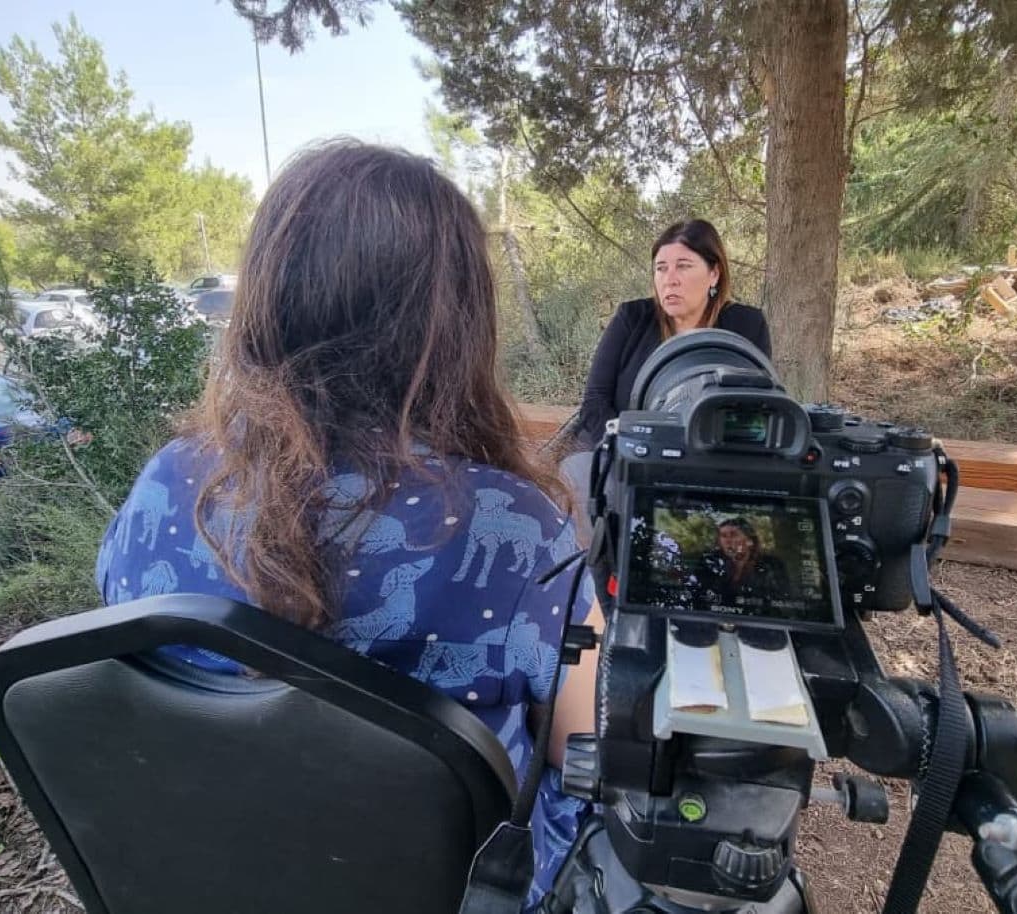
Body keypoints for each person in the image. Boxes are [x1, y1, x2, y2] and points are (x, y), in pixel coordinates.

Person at [95, 140, 601, 909]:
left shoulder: (165, 488)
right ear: (456, 324)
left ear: (270, 297)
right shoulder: (516, 530)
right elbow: (584, 745)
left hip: (218, 880)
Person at [567, 219, 771, 450]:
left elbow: (759, 408)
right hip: (626, 455)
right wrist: (626, 449)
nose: (669, 280)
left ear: (714, 273)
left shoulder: (747, 324)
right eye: (661, 268)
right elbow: (595, 401)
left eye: (683, 266)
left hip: (713, 461)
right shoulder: (631, 318)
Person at [690, 518, 790, 606]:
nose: (728, 540)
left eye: (733, 535)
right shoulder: (710, 563)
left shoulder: (770, 565)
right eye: (723, 536)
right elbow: (697, 594)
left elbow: (778, 600)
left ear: (750, 541)